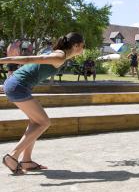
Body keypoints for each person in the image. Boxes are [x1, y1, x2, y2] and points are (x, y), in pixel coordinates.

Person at [0, 32, 84, 174]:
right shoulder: (59, 56)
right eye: (83, 45)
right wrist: (3, 60)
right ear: (76, 46)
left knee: (35, 123)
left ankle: (26, 161)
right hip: (17, 86)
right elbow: (28, 59)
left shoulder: (60, 55)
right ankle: (12, 156)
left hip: (18, 85)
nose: (84, 49)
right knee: (44, 122)